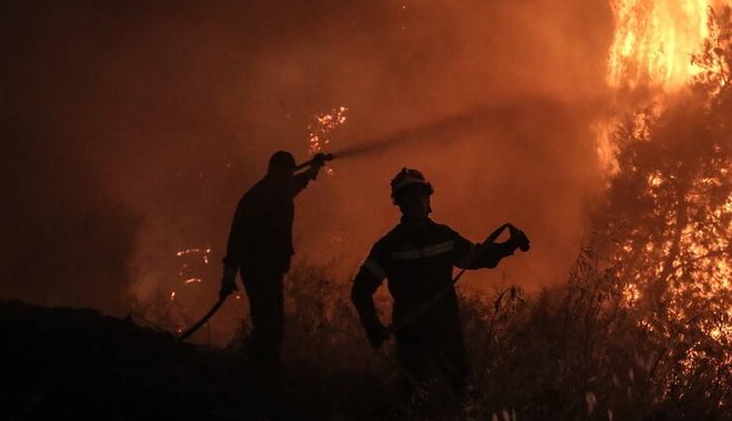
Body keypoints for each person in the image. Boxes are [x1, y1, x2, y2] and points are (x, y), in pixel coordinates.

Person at [351, 167, 529, 403]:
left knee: (459, 390)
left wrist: (508, 246)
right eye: (409, 195)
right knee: (414, 396)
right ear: (399, 203)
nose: (417, 201)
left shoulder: (443, 236)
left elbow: (475, 257)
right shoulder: (389, 246)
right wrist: (372, 325)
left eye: (421, 194)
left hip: (447, 329)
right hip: (412, 335)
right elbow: (360, 289)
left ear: (429, 198)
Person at [219, 150, 328, 381]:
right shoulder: (255, 199)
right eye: (283, 175)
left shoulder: (281, 190)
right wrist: (229, 277)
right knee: (268, 322)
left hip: (272, 268)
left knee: (272, 321)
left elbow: (301, 181)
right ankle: (260, 371)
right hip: (257, 269)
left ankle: (262, 368)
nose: (288, 179)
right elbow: (236, 241)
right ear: (272, 172)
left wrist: (315, 168)